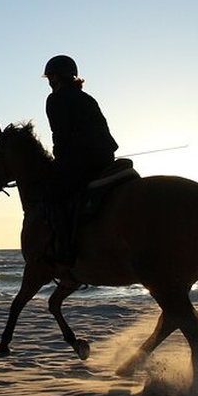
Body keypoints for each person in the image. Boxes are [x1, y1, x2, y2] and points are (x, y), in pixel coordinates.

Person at [43, 54, 118, 266]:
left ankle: (65, 250)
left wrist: (58, 161)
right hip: (106, 157)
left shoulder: (56, 99)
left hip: (81, 159)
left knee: (52, 194)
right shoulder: (87, 98)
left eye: (50, 77)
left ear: (56, 77)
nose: (49, 82)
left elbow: (61, 135)